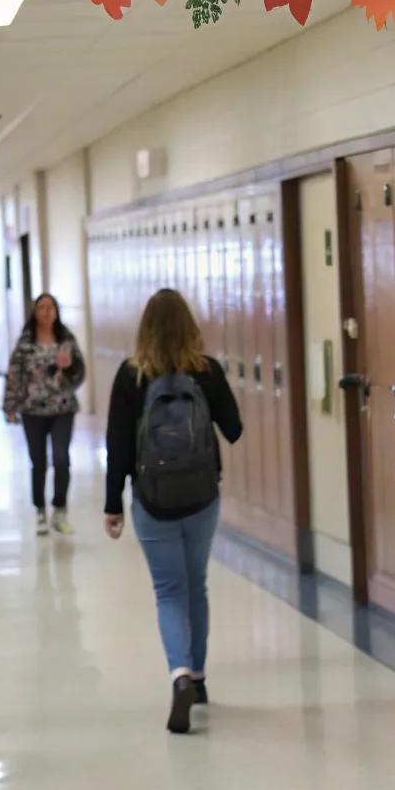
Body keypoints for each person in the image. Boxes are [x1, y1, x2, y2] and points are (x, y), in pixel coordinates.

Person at [104, 288, 242, 734]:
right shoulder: (206, 371)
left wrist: (113, 506)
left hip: (152, 500)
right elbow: (234, 430)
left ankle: (179, 673)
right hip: (202, 495)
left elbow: (118, 447)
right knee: (195, 584)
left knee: (168, 591)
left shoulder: (130, 377)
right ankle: (198, 679)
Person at [4, 293, 86, 536]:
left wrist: (69, 368)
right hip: (33, 410)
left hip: (63, 408)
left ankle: (60, 510)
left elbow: (80, 371)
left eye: (51, 307)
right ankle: (40, 510)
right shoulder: (25, 343)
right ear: (35, 312)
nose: (47, 312)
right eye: (42, 307)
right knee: (38, 462)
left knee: (61, 459)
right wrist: (10, 406)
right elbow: (14, 375)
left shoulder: (66, 339)